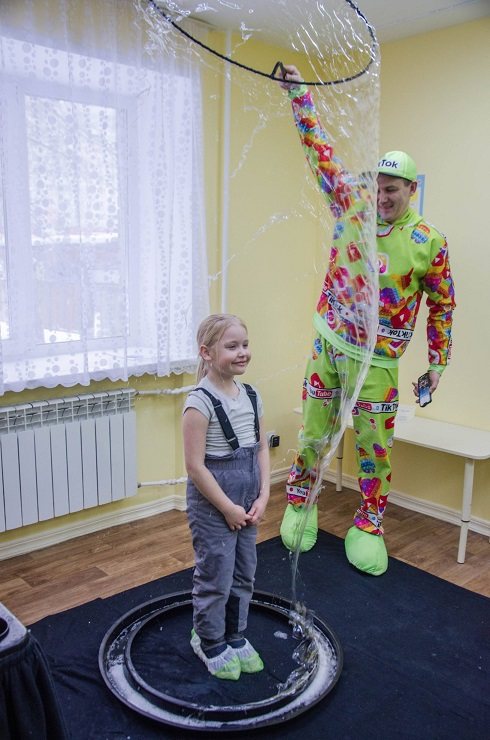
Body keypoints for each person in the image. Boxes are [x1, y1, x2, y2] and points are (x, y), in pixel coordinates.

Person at [277, 65, 455, 575]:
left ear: (411, 189)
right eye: (377, 187)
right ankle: (300, 504)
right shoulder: (350, 206)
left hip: (378, 361)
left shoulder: (429, 242)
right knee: (313, 431)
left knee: (376, 448)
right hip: (329, 344)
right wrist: (299, 97)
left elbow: (443, 305)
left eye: (392, 190)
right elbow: (320, 153)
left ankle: (369, 526)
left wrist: (437, 363)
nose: (381, 198)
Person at [182, 313, 270, 679]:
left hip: (248, 498)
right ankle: (209, 639)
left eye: (245, 345)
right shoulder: (199, 403)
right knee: (216, 573)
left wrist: (264, 494)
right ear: (206, 352)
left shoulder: (252, 395)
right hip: (214, 502)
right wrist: (227, 508)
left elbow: (261, 448)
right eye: (232, 346)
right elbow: (195, 467)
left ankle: (234, 634)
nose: (242, 352)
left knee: (244, 571)